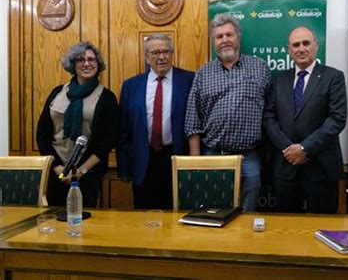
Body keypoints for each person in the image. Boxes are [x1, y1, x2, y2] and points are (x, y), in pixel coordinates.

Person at [185, 14, 271, 212]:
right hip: (213, 156)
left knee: (248, 213)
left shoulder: (260, 68)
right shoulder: (203, 73)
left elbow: (271, 112)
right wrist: (196, 163)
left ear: (238, 37)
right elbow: (192, 120)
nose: (224, 40)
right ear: (214, 42)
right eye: (219, 36)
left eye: (229, 35)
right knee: (213, 211)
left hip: (249, 157)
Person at [263, 26, 347, 214]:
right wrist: (289, 149)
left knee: (323, 229)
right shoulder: (278, 80)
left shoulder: (333, 77)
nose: (301, 48)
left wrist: (304, 148)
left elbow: (337, 119)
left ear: (316, 46)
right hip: (286, 167)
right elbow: (269, 117)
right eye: (296, 45)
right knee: (286, 230)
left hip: (321, 168)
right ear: (289, 50)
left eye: (306, 43)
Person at [36, 42, 119, 207]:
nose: (86, 64)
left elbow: (108, 141)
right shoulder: (57, 92)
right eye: (80, 60)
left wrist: (80, 171)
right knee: (54, 219)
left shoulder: (107, 97)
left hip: (88, 173)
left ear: (98, 64)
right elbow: (42, 134)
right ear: (73, 64)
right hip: (56, 170)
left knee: (85, 223)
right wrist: (57, 167)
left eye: (91, 59)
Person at [117, 34, 194, 209]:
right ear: (146, 56)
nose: (161, 57)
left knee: (177, 215)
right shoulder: (131, 85)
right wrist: (123, 167)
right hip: (142, 161)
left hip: (176, 157)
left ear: (172, 53)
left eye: (166, 51)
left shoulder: (189, 80)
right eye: (155, 52)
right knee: (144, 219)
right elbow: (124, 129)